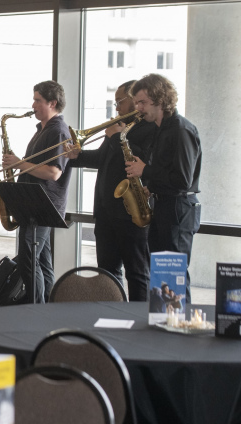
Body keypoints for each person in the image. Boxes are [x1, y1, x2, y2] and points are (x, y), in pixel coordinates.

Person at [65, 81, 156, 302]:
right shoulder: (121, 126)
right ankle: (111, 317)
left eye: (119, 102)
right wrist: (79, 156)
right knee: (106, 272)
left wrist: (116, 136)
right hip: (106, 211)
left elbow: (145, 159)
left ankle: (137, 322)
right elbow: (103, 158)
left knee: (137, 273)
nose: (116, 108)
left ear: (135, 100)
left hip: (130, 211)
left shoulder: (151, 127)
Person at [125, 73, 201, 303]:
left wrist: (145, 171)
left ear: (160, 100)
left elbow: (183, 179)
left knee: (174, 275)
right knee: (161, 275)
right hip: (165, 204)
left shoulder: (180, 129)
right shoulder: (160, 129)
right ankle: (163, 325)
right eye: (136, 102)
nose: (138, 108)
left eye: (142, 102)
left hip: (178, 209)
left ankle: (179, 329)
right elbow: (169, 174)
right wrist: (151, 187)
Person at [2, 80, 72, 304]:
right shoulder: (43, 130)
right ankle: (49, 308)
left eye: (37, 100)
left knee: (28, 261)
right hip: (34, 203)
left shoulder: (58, 131)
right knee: (42, 262)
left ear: (52, 102)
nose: (33, 105)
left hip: (42, 204)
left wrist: (19, 164)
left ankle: (37, 310)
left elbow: (53, 173)